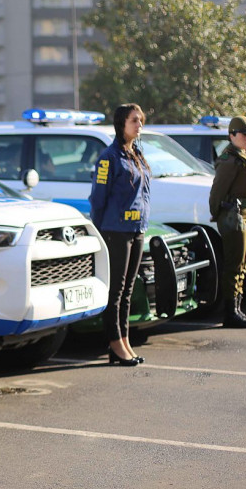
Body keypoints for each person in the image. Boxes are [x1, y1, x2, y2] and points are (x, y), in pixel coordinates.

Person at [88, 103, 151, 366]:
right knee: (116, 291)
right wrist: (102, 231)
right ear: (121, 124)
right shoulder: (109, 157)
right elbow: (98, 199)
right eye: (134, 120)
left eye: (140, 120)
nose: (139, 125)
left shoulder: (136, 153)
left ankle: (123, 341)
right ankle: (114, 342)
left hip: (137, 229)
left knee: (127, 291)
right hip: (116, 230)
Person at [209, 115, 246, 329]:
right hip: (233, 215)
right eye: (243, 134)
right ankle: (230, 313)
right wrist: (217, 213)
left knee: (243, 264)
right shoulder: (230, 159)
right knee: (233, 265)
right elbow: (217, 192)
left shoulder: (245, 155)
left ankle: (237, 308)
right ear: (232, 135)